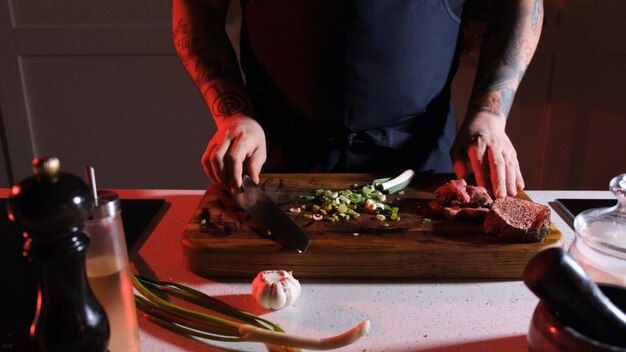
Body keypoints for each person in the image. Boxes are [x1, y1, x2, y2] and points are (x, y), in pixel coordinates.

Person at [172, 0, 543, 198]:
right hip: (273, 156)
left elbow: (520, 6)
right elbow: (197, 8)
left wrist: (490, 114)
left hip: (422, 160)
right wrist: (234, 115)